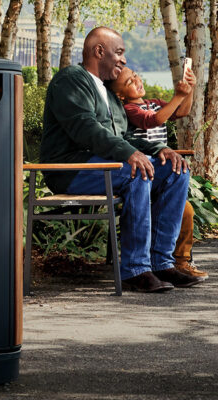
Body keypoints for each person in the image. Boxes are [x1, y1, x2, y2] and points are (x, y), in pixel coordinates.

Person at [40, 26, 204, 292]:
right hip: (71, 169)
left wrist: (160, 149)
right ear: (99, 51)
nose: (124, 60)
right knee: (136, 172)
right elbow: (86, 129)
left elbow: (125, 138)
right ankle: (135, 270)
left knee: (176, 172)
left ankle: (162, 263)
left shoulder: (109, 94)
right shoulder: (71, 79)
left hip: (105, 165)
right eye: (118, 53)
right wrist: (130, 154)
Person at [108, 66, 208, 279]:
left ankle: (180, 261)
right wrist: (178, 95)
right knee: (182, 210)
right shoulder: (129, 110)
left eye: (135, 76)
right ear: (121, 95)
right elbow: (153, 120)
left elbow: (181, 111)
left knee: (186, 211)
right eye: (130, 83)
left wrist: (189, 90)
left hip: (161, 175)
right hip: (144, 178)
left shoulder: (153, 103)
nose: (137, 81)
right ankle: (160, 262)